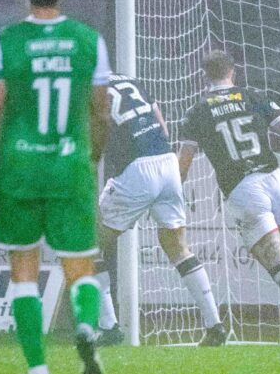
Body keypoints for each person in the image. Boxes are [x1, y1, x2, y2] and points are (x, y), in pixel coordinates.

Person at [0, 0, 110, 374]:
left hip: (21, 172)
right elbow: (101, 111)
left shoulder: (3, 41)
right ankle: (85, 325)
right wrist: (92, 157)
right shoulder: (89, 40)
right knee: (80, 269)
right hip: (69, 167)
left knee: (24, 273)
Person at [177, 50, 280, 344]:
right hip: (275, 180)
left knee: (278, 265)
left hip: (244, 190)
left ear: (205, 75)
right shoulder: (253, 96)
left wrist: (168, 192)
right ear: (234, 72)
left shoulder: (198, 112)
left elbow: (183, 165)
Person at [95, 73, 225, 347]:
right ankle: (214, 325)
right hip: (167, 162)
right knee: (177, 246)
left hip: (136, 170)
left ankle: (108, 328)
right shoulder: (129, 80)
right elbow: (163, 129)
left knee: (87, 244)